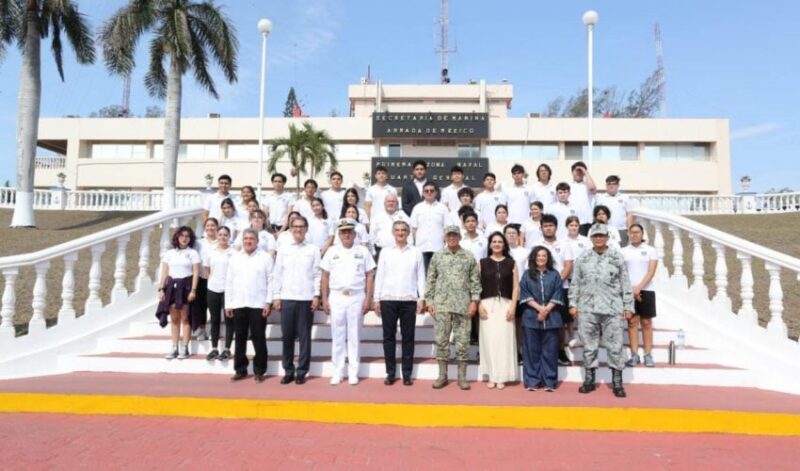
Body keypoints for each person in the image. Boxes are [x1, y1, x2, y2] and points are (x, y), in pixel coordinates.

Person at [569, 223, 634, 398]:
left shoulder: (616, 257)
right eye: (595, 236)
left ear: (607, 237)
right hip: (587, 308)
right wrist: (573, 303)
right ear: (591, 238)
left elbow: (625, 282)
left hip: (612, 308)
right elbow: (575, 282)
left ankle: (617, 382)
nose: (598, 238)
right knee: (589, 346)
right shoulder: (583, 258)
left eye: (601, 236)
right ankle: (589, 380)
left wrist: (628, 306)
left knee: (615, 346)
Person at [320, 219, 376, 385]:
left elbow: (369, 276)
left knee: (354, 335)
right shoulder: (332, 251)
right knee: (337, 335)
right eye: (343, 232)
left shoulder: (363, 251)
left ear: (354, 234)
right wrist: (324, 298)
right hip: (337, 296)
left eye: (349, 232)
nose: (346, 235)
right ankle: (337, 371)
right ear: (339, 234)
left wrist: (368, 298)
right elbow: (325, 276)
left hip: (356, 296)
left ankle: (353, 372)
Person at [426, 225, 481, 390]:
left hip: (463, 306)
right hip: (442, 305)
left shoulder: (468, 256)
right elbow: (431, 279)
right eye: (449, 235)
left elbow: (475, 281)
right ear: (445, 237)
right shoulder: (437, 256)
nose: (452, 238)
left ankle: (462, 377)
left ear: (459, 237)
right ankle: (442, 375)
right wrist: (429, 301)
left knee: (463, 342)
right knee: (441, 341)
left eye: (455, 235)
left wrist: (474, 301)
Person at [373, 220, 426, 386]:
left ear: (408, 233)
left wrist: (422, 297)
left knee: (408, 337)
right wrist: (376, 298)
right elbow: (380, 275)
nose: (400, 233)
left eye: (403, 230)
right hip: (388, 299)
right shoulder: (385, 252)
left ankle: (407, 374)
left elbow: (420, 276)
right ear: (393, 232)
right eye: (397, 230)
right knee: (388, 337)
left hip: (408, 300)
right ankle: (390, 373)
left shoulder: (416, 252)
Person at [273, 216, 321, 385]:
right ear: (291, 229)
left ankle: (301, 371)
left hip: (306, 298)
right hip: (287, 298)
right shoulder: (284, 248)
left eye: (301, 226)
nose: (298, 229)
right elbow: (277, 273)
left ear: (306, 229)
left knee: (304, 337)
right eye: (295, 226)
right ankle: (288, 370)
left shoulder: (313, 249)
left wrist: (316, 295)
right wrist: (276, 296)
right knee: (287, 336)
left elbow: (317, 274)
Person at [225, 228, 274, 383]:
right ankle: (240, 369)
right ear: (242, 241)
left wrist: (268, 302)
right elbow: (229, 282)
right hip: (239, 303)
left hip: (258, 304)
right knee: (239, 338)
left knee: (259, 338)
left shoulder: (265, 258)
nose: (248, 241)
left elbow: (271, 281)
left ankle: (259, 370)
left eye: (251, 238)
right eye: (245, 238)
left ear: (257, 241)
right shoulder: (234, 258)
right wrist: (228, 304)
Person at [478, 232, 519, 389]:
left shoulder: (511, 263)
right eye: (494, 241)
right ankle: (491, 375)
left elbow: (516, 287)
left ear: (504, 245)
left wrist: (513, 306)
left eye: (500, 242)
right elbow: (476, 286)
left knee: (504, 341)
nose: (496, 244)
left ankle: (502, 376)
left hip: (506, 305)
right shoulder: (482, 263)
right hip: (486, 305)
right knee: (488, 340)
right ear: (490, 245)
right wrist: (479, 304)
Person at [519, 246, 564, 391]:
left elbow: (558, 293)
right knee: (531, 351)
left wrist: (546, 310)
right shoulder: (527, 275)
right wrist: (539, 309)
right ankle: (532, 381)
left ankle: (549, 381)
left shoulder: (555, 274)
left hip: (552, 318)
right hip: (531, 317)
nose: (541, 258)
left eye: (544, 256)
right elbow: (525, 293)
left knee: (550, 351)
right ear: (534, 258)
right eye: (538, 255)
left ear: (548, 258)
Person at [156, 226, 201, 360]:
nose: (184, 238)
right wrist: (161, 289)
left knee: (185, 318)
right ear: (177, 237)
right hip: (172, 287)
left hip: (186, 287)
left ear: (190, 239)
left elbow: (196, 273)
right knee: (174, 319)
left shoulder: (192, 253)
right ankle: (174, 347)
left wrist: (193, 290)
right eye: (182, 235)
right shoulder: (169, 253)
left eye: (187, 236)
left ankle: (185, 347)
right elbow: (164, 273)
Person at [539, 214, 575, 367]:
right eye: (545, 226)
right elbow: (532, 266)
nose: (548, 228)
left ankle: (560, 351)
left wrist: (556, 282)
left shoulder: (565, 244)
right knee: (541, 319)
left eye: (551, 225)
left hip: (561, 287)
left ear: (556, 227)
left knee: (560, 322)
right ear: (541, 228)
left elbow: (568, 265)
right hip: (540, 289)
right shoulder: (536, 244)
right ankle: (542, 352)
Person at [622, 224, 659, 368]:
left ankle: (648, 354)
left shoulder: (650, 250)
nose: (634, 235)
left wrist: (639, 288)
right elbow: (622, 272)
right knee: (632, 322)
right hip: (629, 290)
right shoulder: (624, 251)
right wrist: (632, 290)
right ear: (628, 234)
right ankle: (634, 355)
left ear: (642, 234)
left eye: (637, 232)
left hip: (647, 290)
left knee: (646, 322)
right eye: (632, 232)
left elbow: (651, 272)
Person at [204, 225, 233, 361]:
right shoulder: (211, 251)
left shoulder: (234, 252)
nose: (222, 237)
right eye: (220, 234)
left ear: (229, 236)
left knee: (229, 319)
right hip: (213, 289)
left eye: (225, 235)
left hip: (228, 290)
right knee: (214, 319)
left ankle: (227, 349)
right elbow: (207, 270)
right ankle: (214, 348)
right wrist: (212, 281)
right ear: (217, 235)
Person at [410, 182, 448, 271]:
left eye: (431, 190)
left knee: (438, 274)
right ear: (423, 193)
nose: (429, 192)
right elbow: (414, 228)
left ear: (436, 192)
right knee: (423, 274)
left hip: (438, 247)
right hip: (421, 248)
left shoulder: (443, 208)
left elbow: (447, 227)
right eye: (426, 191)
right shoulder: (417, 208)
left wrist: (445, 243)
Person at [192, 218, 218, 340]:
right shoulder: (198, 243)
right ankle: (201, 330)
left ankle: (213, 330)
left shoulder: (220, 241)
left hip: (216, 279)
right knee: (201, 305)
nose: (210, 228)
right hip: (201, 278)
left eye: (213, 225)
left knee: (214, 306)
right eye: (208, 225)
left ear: (217, 227)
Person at [369, 193, 412, 259]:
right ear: (384, 204)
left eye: (393, 201)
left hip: (400, 251)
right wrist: (373, 252)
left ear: (397, 204)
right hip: (381, 251)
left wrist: (410, 249)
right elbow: (372, 235)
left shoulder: (404, 216)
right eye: (388, 201)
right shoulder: (377, 216)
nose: (391, 203)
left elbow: (410, 234)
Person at [595, 175, 633, 246]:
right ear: (606, 185)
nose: (611, 186)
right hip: (605, 230)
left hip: (621, 230)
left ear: (618, 185)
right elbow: (596, 215)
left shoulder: (625, 198)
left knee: (622, 251)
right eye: (609, 184)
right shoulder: (600, 198)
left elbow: (629, 215)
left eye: (614, 184)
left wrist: (630, 231)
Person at [569, 161, 597, 235]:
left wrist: (585, 171)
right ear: (572, 172)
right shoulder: (568, 186)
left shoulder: (587, 185)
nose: (579, 173)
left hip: (586, 221)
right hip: (571, 221)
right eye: (576, 170)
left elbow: (592, 188)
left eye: (580, 171)